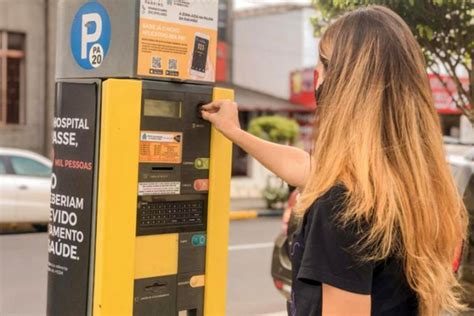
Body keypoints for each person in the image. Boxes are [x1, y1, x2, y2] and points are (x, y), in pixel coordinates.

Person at [200, 5, 468, 316]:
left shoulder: (343, 208)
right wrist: (235, 132)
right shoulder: (406, 186)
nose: (316, 77)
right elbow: (305, 167)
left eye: (322, 66)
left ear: (343, 87)